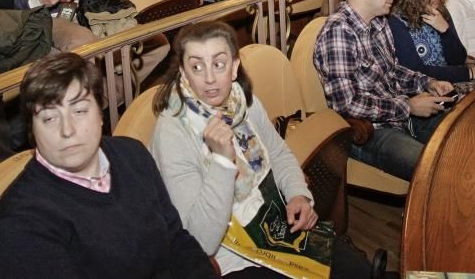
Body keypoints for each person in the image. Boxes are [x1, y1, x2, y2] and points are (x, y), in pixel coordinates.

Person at [151, 21, 374, 278]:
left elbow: (278, 153)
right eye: (197, 66)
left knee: (357, 270)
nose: (209, 78)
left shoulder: (242, 101)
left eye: (219, 64)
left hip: (271, 223)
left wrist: (298, 195)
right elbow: (201, 242)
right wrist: (223, 163)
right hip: (230, 256)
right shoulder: (173, 132)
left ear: (234, 68)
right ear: (183, 72)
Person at [0, 53, 214, 279]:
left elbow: (176, 240)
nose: (67, 130)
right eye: (49, 118)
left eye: (79, 111)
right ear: (32, 130)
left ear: (101, 114)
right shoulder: (18, 229)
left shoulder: (132, 155)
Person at [314, 0, 454, 180]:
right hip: (369, 130)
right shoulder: (339, 32)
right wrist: (408, 107)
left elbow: (393, 70)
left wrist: (427, 82)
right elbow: (347, 104)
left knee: (459, 138)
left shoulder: (378, 21)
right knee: (435, 169)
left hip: (397, 115)